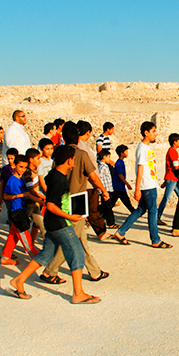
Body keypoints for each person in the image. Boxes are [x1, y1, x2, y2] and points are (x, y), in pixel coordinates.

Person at [8, 145, 101, 304]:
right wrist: (70, 216)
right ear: (69, 160)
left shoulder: (53, 174)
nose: (74, 161)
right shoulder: (59, 180)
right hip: (60, 223)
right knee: (77, 253)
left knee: (46, 255)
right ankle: (78, 294)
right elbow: (51, 205)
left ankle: (19, 280)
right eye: (73, 159)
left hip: (51, 222)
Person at [38, 121, 111, 284]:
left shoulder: (59, 153)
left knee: (80, 238)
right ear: (78, 138)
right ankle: (50, 270)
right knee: (73, 239)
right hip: (78, 200)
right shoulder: (82, 154)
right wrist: (103, 190)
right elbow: (93, 176)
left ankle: (94, 271)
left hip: (62, 199)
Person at [113, 121, 171, 249]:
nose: (155, 134)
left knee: (140, 210)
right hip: (147, 185)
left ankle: (120, 232)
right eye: (153, 131)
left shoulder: (147, 148)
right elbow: (140, 170)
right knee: (153, 211)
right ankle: (155, 239)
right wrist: (137, 189)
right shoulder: (142, 149)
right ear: (146, 133)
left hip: (150, 183)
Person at [0, 154, 35, 265]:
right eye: (20, 167)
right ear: (15, 165)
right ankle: (37, 258)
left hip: (21, 210)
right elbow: (5, 196)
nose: (23, 170)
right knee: (26, 238)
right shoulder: (12, 180)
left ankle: (5, 257)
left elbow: (28, 194)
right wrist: (18, 196)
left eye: (25, 167)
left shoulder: (21, 179)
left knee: (13, 235)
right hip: (16, 211)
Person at [77, 120, 109, 239]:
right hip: (89, 183)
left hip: (88, 183)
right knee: (92, 210)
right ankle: (101, 232)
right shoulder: (82, 147)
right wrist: (102, 188)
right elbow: (89, 169)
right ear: (88, 132)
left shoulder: (81, 145)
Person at [157, 132, 179, 226]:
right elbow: (175, 167)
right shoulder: (173, 152)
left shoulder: (171, 151)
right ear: (175, 142)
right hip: (173, 178)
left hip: (173, 178)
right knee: (166, 198)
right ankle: (157, 217)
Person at [23, 147, 46, 252]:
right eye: (38, 158)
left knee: (40, 225)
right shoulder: (28, 173)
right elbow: (31, 190)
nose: (40, 161)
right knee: (21, 228)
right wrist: (43, 198)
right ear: (31, 160)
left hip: (35, 204)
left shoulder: (34, 171)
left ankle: (32, 245)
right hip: (29, 204)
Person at [110, 144, 136, 214]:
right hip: (118, 187)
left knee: (112, 203)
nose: (127, 153)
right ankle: (134, 213)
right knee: (127, 202)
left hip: (119, 187)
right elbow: (120, 174)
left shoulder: (120, 162)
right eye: (126, 152)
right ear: (122, 153)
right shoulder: (119, 163)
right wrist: (127, 183)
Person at [96, 149, 118, 228]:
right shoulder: (102, 167)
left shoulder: (105, 166)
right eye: (108, 157)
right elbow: (99, 177)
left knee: (106, 206)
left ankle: (97, 215)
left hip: (108, 188)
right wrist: (100, 188)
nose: (109, 159)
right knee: (108, 207)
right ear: (104, 157)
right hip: (105, 189)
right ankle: (111, 223)